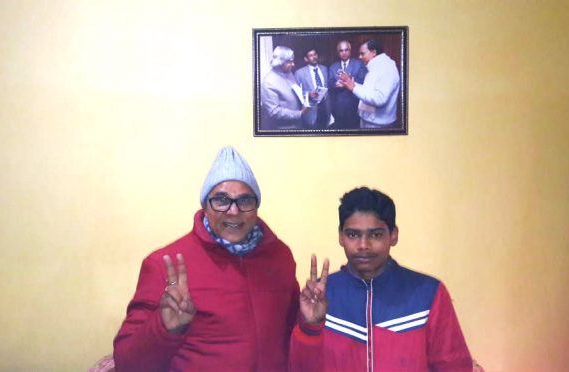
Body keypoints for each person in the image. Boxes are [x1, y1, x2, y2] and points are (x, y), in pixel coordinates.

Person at [114, 146, 300, 372]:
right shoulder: (164, 264)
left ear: (256, 207)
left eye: (245, 200)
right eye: (221, 200)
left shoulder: (279, 256)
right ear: (205, 205)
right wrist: (165, 329)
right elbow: (127, 364)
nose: (233, 211)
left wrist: (311, 324)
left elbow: (290, 334)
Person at [289, 187, 473, 372]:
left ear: (393, 235)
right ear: (340, 236)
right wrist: (311, 326)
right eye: (353, 234)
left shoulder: (428, 294)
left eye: (375, 235)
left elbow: (455, 366)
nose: (363, 245)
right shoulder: (320, 296)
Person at [338, 40, 400, 129]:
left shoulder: (386, 68)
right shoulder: (376, 66)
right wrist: (351, 83)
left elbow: (380, 99)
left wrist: (353, 88)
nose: (359, 57)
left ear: (373, 52)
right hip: (370, 121)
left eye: (362, 54)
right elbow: (369, 91)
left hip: (378, 125)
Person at [261, 46, 310, 130]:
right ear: (280, 62)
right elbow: (273, 112)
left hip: (298, 124)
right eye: (289, 62)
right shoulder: (268, 82)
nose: (293, 64)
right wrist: (299, 113)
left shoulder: (289, 73)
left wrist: (306, 96)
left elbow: (294, 92)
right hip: (284, 129)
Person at [328, 40, 367, 129]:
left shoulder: (359, 64)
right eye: (341, 51)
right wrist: (335, 84)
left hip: (354, 105)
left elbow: (362, 81)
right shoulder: (333, 66)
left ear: (350, 50)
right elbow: (329, 83)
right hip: (338, 107)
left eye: (346, 50)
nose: (344, 53)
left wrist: (348, 83)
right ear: (338, 52)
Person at [295, 48, 331, 129]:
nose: (314, 57)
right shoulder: (299, 73)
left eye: (315, 54)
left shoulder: (324, 69)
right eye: (311, 55)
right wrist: (308, 94)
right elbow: (296, 93)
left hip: (325, 108)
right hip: (311, 111)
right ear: (306, 59)